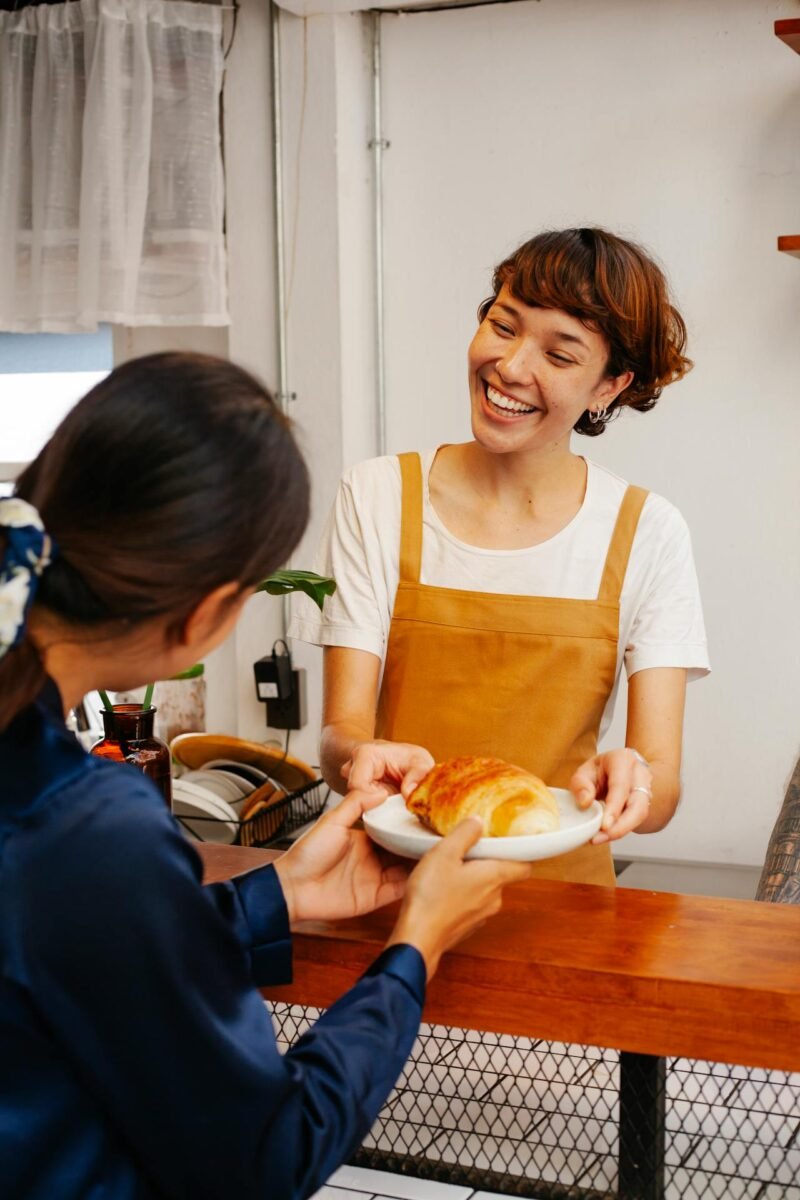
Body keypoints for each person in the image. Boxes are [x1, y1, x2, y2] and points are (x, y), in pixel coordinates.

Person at [0, 352, 533, 1200]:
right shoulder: (91, 823)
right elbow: (268, 1154)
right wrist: (413, 951)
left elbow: (60, 951)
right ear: (208, 613)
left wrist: (274, 896)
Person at [292, 227, 710, 886]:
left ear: (609, 385)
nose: (512, 367)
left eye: (560, 354)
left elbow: (660, 786)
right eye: (503, 325)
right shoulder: (375, 496)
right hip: (387, 893)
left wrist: (633, 779)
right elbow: (340, 736)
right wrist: (361, 755)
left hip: (563, 914)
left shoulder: (647, 531)